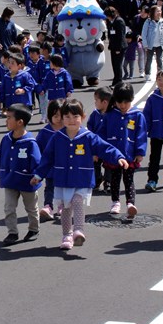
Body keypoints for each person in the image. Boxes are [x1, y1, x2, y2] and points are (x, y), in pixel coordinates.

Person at [32, 99, 128, 250]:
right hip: (63, 180)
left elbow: (105, 148)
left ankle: (78, 230)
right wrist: (38, 175)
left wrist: (118, 157)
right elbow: (47, 158)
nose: (71, 120)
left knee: (77, 201)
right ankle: (66, 235)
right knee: (65, 208)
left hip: (81, 179)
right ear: (62, 118)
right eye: (67, 117)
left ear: (82, 117)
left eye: (75, 116)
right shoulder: (57, 137)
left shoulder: (88, 136)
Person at [97, 82, 147, 219]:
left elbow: (141, 135)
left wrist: (140, 152)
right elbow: (101, 133)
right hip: (113, 154)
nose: (122, 105)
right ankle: (115, 202)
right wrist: (99, 150)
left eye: (126, 102)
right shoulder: (109, 114)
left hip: (129, 154)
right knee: (114, 179)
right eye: (119, 102)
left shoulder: (137, 115)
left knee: (129, 179)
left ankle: (130, 203)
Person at [0, 104, 42, 246]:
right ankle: (12, 232)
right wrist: (0, 173)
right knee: (9, 207)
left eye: (9, 118)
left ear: (20, 122)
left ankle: (33, 229)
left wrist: (36, 176)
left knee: (31, 207)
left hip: (27, 182)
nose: (6, 121)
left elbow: (37, 162)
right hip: (10, 180)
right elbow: (1, 157)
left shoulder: (30, 142)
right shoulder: (6, 139)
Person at [37, 99, 64, 222]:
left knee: (63, 188)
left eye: (61, 116)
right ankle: (48, 206)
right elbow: (38, 149)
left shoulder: (68, 130)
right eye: (55, 115)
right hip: (50, 167)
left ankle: (62, 207)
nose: (58, 119)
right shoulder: (45, 132)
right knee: (49, 188)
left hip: (65, 167)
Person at [88, 86, 113, 193]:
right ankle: (97, 180)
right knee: (95, 163)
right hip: (96, 145)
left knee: (109, 164)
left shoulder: (113, 115)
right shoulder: (95, 114)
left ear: (105, 102)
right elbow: (90, 128)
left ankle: (108, 182)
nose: (95, 102)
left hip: (109, 145)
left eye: (96, 100)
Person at [142, 5, 163, 81]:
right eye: (157, 11)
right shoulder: (148, 21)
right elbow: (144, 33)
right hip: (150, 44)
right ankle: (147, 74)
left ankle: (160, 75)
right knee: (149, 60)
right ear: (153, 12)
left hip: (160, 44)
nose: (159, 12)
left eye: (160, 11)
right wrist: (145, 44)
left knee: (159, 60)